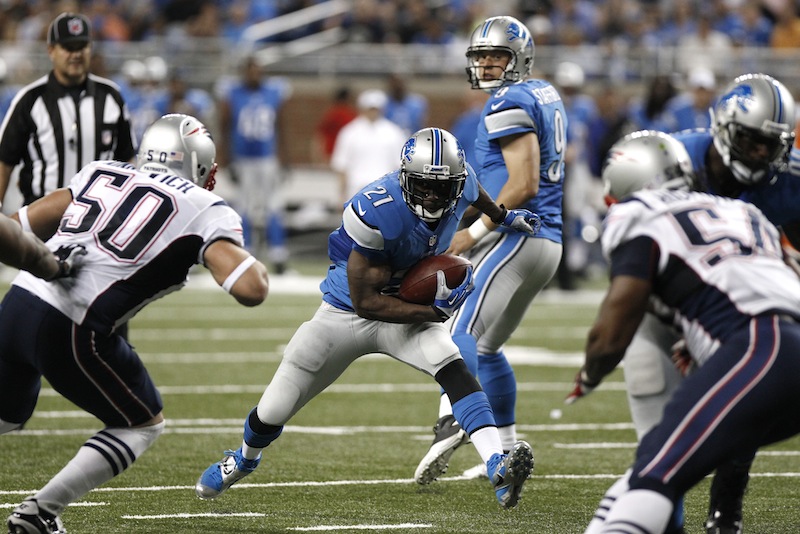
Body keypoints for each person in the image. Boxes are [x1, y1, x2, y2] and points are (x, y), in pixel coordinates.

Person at [195, 127, 538, 509]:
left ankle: (497, 464)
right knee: (274, 409)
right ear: (406, 178)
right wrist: (433, 311)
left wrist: (504, 217)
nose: (434, 195)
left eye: (444, 187)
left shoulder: (463, 183)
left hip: (405, 315)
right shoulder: (377, 209)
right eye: (424, 185)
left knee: (452, 363)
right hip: (346, 314)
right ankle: (243, 460)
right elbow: (366, 304)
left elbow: (479, 196)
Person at [2, 113, 269, 534]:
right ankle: (40, 513)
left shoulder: (101, 172)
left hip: (18, 301)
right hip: (74, 325)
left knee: (8, 415)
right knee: (141, 423)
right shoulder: (206, 208)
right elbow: (251, 289)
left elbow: (19, 225)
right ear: (202, 167)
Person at [570, 130, 800, 534]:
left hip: (764, 345)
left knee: (653, 476)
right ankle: (724, 515)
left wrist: (589, 375)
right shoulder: (745, 212)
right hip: (778, 342)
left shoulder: (639, 213)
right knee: (661, 465)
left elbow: (611, 336)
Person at [413, 15, 567, 484]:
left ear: (518, 59)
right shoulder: (542, 92)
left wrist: (472, 232)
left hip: (519, 236)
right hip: (546, 240)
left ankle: (451, 419)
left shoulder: (510, 100)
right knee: (491, 347)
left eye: (495, 57)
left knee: (457, 330)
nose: (485, 65)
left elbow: (522, 184)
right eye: (480, 57)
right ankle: (502, 450)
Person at [0, 12, 136, 209]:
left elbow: (128, 160)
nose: (76, 54)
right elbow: (4, 162)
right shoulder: (30, 99)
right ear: (51, 50)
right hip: (41, 223)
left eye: (82, 46)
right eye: (68, 47)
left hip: (98, 220)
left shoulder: (110, 96)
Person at [217, 55, 292, 274]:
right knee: (243, 207)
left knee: (274, 205)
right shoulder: (233, 92)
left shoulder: (273, 91)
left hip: (267, 158)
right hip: (243, 158)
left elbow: (280, 125)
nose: (254, 74)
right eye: (250, 70)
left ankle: (278, 255)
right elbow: (226, 126)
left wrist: (285, 158)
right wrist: (227, 159)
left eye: (257, 69)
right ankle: (245, 252)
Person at [330, 89, 407, 207]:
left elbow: (400, 167)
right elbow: (342, 165)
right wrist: (341, 195)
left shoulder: (394, 133)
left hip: (386, 192)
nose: (373, 112)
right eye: (370, 109)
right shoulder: (349, 132)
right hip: (355, 190)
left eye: (375, 109)